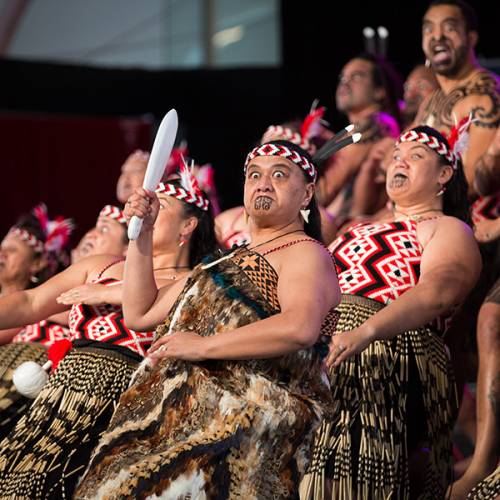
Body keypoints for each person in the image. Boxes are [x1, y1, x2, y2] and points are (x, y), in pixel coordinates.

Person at [75, 139, 343, 498]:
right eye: (254, 175)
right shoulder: (222, 262)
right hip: (175, 410)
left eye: (279, 175)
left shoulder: (305, 253)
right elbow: (139, 313)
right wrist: (145, 232)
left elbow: (299, 327)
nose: (263, 183)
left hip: (245, 414)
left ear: (307, 193)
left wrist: (203, 346)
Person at [0, 176, 216, 498]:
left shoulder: (198, 281)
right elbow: (30, 302)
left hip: (126, 406)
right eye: (145, 202)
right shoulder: (102, 265)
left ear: (188, 227)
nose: (147, 209)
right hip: (62, 394)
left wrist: (112, 291)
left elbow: (144, 309)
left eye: (161, 205)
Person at [301, 125, 481, 499]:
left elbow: (438, 290)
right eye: (396, 155)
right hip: (320, 350)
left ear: (444, 174)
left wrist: (365, 331)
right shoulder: (355, 228)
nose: (400, 161)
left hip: (386, 353)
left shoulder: (447, 229)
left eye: (415, 156)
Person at [0, 205, 124, 440]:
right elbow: (31, 303)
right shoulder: (70, 283)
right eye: (94, 227)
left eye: (103, 229)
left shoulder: (126, 285)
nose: (91, 234)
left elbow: (31, 304)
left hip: (69, 386)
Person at [318, 53, 401, 219]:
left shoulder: (376, 123)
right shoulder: (356, 129)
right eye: (342, 77)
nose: (345, 82)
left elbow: (324, 191)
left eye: (356, 76)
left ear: (379, 91)